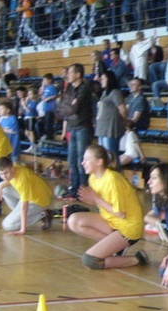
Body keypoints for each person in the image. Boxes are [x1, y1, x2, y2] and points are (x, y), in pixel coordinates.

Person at [67, 145, 147, 269]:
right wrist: (93, 201)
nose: (82, 163)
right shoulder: (93, 178)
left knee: (90, 260)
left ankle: (137, 259)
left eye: (87, 159)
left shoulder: (113, 180)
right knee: (73, 220)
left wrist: (96, 199)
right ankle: (116, 247)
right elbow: (105, 203)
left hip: (128, 228)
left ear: (99, 162)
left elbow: (121, 213)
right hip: (111, 222)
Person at [61, 63, 95, 199]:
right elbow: (64, 106)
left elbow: (75, 105)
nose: (67, 75)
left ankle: (83, 192)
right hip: (72, 127)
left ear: (77, 74)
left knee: (82, 162)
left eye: (70, 72)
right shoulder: (69, 88)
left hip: (83, 128)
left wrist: (71, 104)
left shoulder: (85, 88)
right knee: (72, 161)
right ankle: (74, 190)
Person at [0, 157, 53, 234]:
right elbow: (7, 181)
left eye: (6, 173)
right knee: (4, 189)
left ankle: (43, 214)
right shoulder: (15, 167)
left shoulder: (22, 181)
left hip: (39, 202)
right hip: (34, 194)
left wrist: (22, 230)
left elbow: (24, 208)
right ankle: (21, 216)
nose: (4, 176)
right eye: (1, 174)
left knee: (7, 225)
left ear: (12, 169)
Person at [95, 70, 127, 170]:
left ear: (108, 79)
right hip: (102, 129)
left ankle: (116, 178)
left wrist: (123, 123)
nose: (101, 80)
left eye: (103, 78)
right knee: (104, 156)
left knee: (112, 157)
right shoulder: (105, 93)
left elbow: (123, 110)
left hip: (110, 129)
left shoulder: (115, 93)